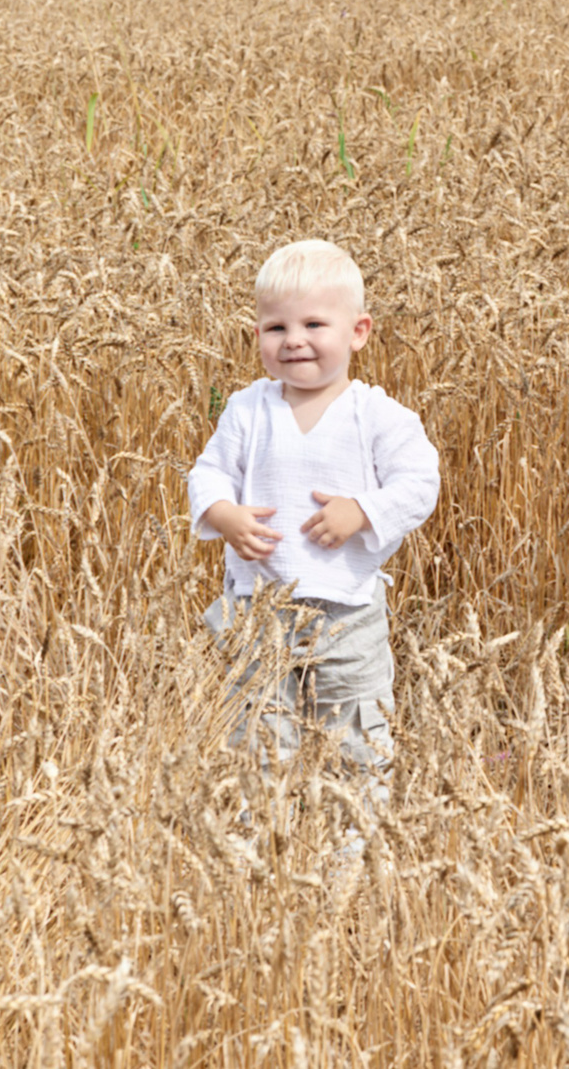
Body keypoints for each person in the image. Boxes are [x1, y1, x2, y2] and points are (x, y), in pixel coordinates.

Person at [188, 239, 441, 774]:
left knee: (357, 737)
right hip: (257, 607)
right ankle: (263, 820)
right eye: (276, 328)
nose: (294, 340)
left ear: (358, 332)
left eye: (314, 325)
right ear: (256, 335)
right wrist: (223, 514)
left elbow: (420, 484)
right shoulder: (247, 409)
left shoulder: (378, 415)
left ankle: (356, 824)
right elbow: (209, 472)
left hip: (347, 611)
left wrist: (362, 511)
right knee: (256, 733)